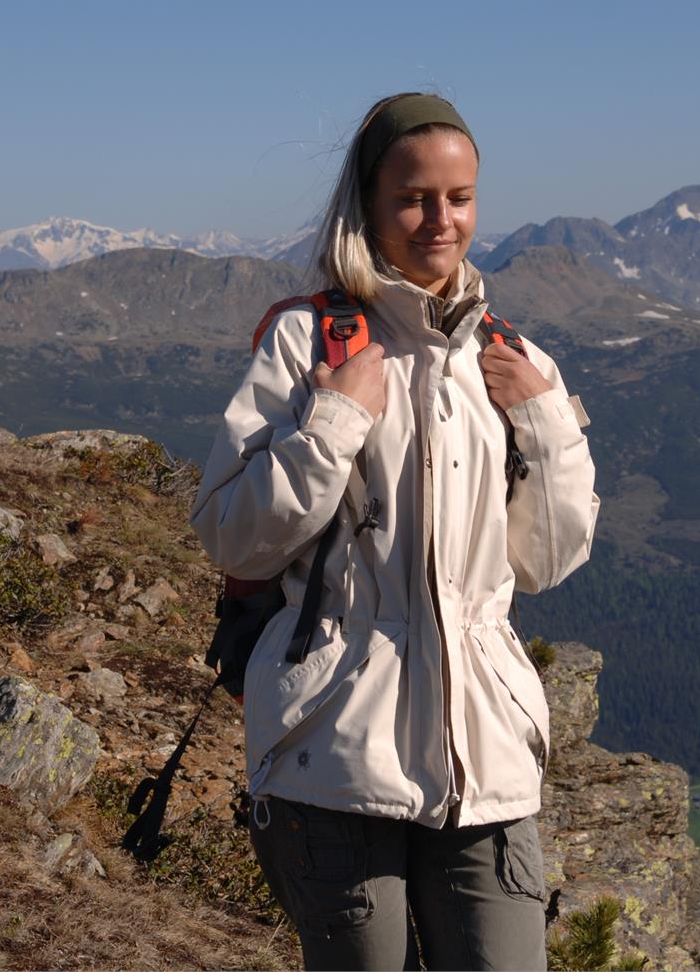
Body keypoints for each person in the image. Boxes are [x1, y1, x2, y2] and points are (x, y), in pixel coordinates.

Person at [192, 93, 599, 970]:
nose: (439, 220)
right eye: (414, 197)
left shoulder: (517, 360)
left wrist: (549, 428)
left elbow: (546, 561)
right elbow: (230, 535)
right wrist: (335, 421)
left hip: (482, 760)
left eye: (460, 197)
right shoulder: (307, 343)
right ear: (368, 205)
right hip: (332, 751)